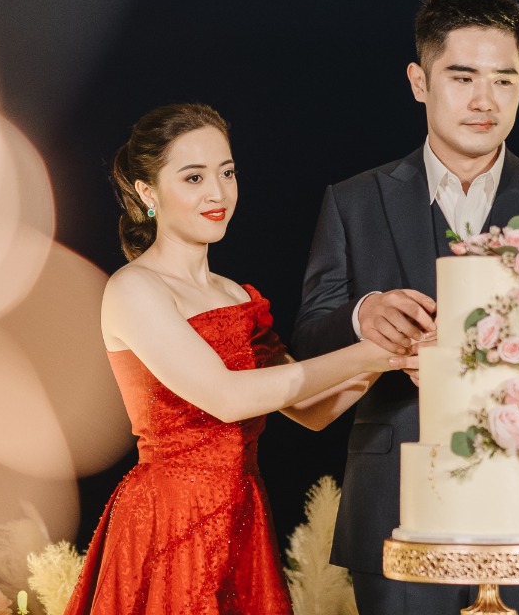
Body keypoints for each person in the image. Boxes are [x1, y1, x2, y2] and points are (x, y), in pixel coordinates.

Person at [292, 0, 519, 614]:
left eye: (505, 80)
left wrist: (492, 374)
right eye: (463, 77)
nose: (484, 100)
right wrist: (364, 318)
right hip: (395, 510)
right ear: (419, 81)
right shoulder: (354, 202)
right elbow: (308, 340)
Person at [64, 103, 408, 615]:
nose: (218, 193)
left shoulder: (237, 296)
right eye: (194, 177)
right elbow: (228, 398)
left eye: (227, 173)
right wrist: (369, 353)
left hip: (242, 515)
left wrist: (394, 352)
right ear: (147, 192)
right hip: (167, 520)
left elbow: (312, 410)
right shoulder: (134, 288)